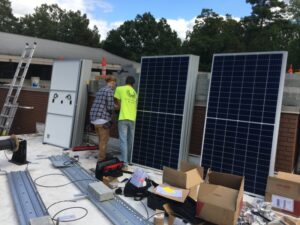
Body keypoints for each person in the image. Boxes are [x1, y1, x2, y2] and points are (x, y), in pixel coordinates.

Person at [90, 75, 117, 161]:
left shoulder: (101, 90)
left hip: (94, 119)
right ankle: (101, 159)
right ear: (112, 82)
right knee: (104, 140)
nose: (114, 85)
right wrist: (117, 106)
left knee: (100, 139)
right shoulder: (109, 91)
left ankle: (101, 155)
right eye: (114, 83)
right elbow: (109, 106)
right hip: (102, 119)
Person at [114, 76, 137, 168]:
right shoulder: (135, 93)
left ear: (125, 81)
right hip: (132, 118)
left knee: (123, 140)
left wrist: (119, 107)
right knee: (130, 140)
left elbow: (118, 102)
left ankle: (125, 163)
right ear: (133, 84)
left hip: (123, 117)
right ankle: (129, 159)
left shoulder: (119, 88)